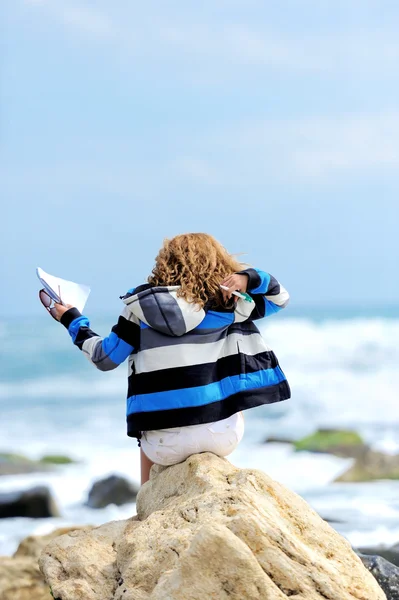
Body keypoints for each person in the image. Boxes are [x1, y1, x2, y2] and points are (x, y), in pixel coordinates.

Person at [41, 233, 290, 485]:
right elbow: (279, 298)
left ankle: (146, 502)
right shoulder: (230, 305)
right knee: (230, 403)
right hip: (221, 437)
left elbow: (104, 358)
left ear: (164, 264)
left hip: (163, 446)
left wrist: (71, 319)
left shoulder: (140, 309)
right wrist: (247, 279)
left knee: (149, 427)